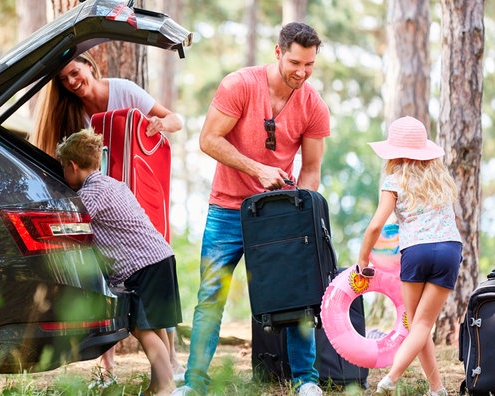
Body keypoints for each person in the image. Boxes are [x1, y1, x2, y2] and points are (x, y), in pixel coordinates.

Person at [172, 22, 330, 396]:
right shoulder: (239, 85)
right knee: (211, 296)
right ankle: (194, 384)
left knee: (297, 293)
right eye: (295, 62)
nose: (302, 72)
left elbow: (310, 171)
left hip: (279, 215)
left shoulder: (314, 105)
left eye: (309, 65)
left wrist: (299, 216)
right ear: (277, 53)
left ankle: (305, 381)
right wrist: (257, 168)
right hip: (227, 209)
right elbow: (208, 139)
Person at [56, 129, 183, 396]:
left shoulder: (90, 195)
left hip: (141, 267)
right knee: (154, 327)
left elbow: (68, 226)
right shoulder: (114, 184)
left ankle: (167, 388)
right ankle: (160, 384)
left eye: (63, 169)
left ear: (73, 166)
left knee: (141, 328)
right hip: (161, 257)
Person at [356, 116, 462, 396]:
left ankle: (390, 378)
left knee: (418, 323)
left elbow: (376, 225)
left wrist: (363, 260)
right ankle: (437, 388)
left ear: (393, 153)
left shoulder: (394, 180)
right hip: (450, 249)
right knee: (422, 325)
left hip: (416, 250)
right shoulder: (441, 178)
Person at [33, 51, 182, 157]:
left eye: (75, 73)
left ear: (89, 65)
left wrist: (161, 124)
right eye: (64, 79)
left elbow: (176, 121)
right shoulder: (68, 110)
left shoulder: (124, 90)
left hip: (132, 177)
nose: (71, 82)